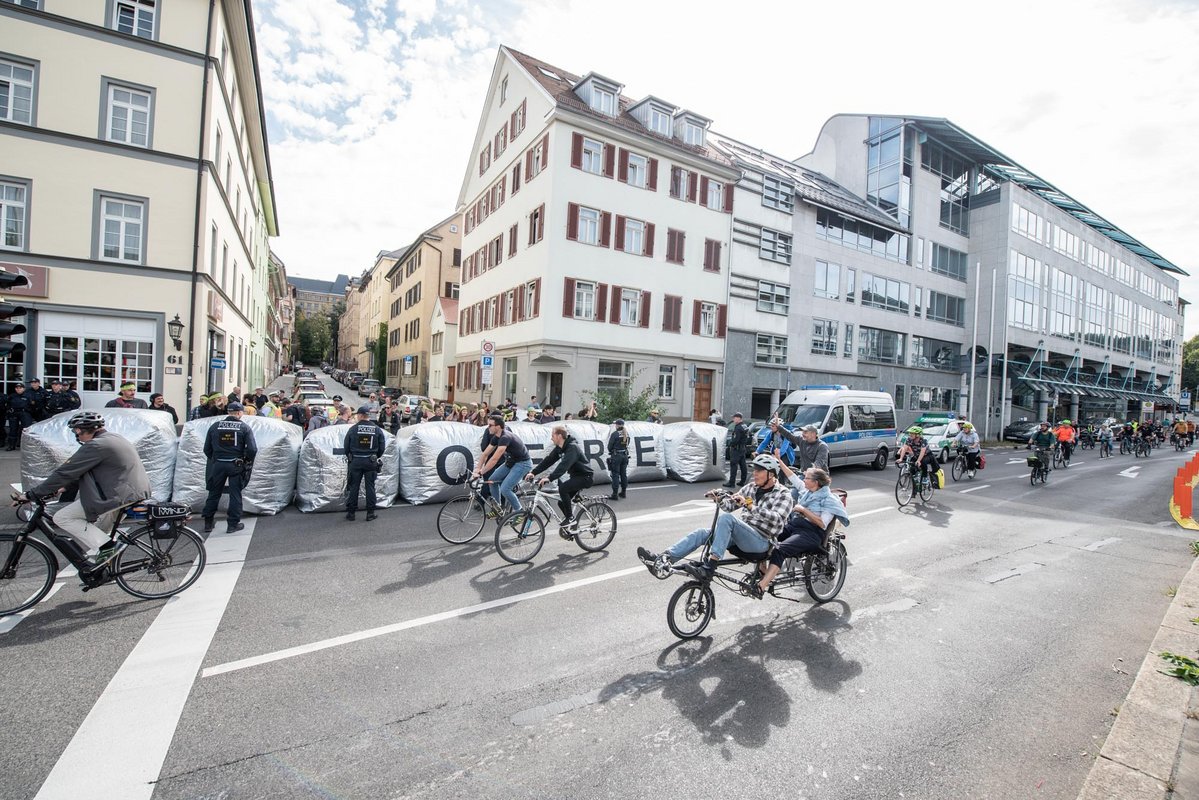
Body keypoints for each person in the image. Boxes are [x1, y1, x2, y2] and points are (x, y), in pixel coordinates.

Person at [20, 411, 151, 573]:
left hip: (117, 495)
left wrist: (32, 494)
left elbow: (65, 472)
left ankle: (110, 547)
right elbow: (83, 471)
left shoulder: (96, 446)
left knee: (63, 517)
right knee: (99, 531)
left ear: (87, 429)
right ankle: (108, 570)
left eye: (77, 430)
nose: (76, 434)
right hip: (131, 492)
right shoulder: (113, 438)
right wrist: (62, 488)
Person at [637, 454, 792, 580]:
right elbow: (730, 506)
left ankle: (710, 566)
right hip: (742, 536)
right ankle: (663, 559)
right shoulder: (751, 488)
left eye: (759, 471)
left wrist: (751, 506)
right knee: (701, 533)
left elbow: (778, 520)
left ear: (771, 474)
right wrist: (718, 499)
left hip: (761, 542)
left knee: (727, 519)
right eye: (755, 470)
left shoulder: (783, 493)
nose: (755, 474)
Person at [753, 467, 849, 598]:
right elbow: (793, 478)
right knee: (764, 533)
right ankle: (763, 569)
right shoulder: (808, 493)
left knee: (780, 549)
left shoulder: (829, 500)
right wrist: (779, 460)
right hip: (795, 526)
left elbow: (822, 523)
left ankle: (761, 586)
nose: (804, 480)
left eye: (807, 478)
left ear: (815, 482)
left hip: (811, 533)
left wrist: (803, 510)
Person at [201, 401, 256, 534]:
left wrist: (215, 459)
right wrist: (246, 460)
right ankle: (233, 524)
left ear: (228, 412)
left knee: (214, 493)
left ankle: (208, 522)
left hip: (218, 464)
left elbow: (206, 449)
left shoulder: (215, 426)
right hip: (236, 464)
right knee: (235, 494)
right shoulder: (244, 428)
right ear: (239, 413)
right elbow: (253, 449)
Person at [527, 425, 593, 535]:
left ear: (559, 436)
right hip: (575, 477)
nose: (551, 438)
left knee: (563, 489)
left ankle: (570, 518)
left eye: (552, 435)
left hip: (585, 477)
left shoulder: (572, 447)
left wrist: (549, 478)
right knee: (561, 503)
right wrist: (533, 472)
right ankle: (570, 525)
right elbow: (548, 461)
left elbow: (563, 466)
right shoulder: (560, 448)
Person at [473, 414, 533, 517]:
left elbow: (494, 459)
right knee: (491, 481)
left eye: (490, 425)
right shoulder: (496, 437)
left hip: (523, 464)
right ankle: (498, 509)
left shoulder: (505, 437)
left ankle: (519, 512)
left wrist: (481, 472)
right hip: (511, 462)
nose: (488, 427)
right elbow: (485, 454)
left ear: (498, 426)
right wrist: (478, 468)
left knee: (505, 488)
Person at [344, 406, 385, 521]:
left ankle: (351, 513)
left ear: (360, 415)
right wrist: (375, 456)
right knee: (370, 487)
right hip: (370, 462)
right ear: (368, 416)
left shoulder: (353, 429)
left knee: (354, 487)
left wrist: (351, 456)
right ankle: (370, 513)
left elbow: (346, 447)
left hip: (356, 462)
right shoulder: (376, 429)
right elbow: (382, 448)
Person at [607, 418, 630, 500]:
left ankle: (615, 494)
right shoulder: (626, 433)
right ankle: (623, 492)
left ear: (618, 425)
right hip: (625, 455)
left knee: (615, 474)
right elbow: (627, 444)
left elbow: (609, 447)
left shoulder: (615, 434)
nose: (615, 426)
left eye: (616, 424)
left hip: (616, 456)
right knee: (623, 474)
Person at [6, 382, 32, 451]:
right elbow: (8, 405)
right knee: (13, 429)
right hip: (14, 413)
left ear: (23, 389)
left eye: (20, 388)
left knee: (26, 429)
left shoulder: (28, 396)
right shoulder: (12, 396)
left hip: (24, 413)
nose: (18, 389)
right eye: (17, 388)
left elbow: (32, 405)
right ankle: (11, 445)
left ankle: (25, 446)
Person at [725, 413, 749, 488]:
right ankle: (743, 481)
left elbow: (736, 439)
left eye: (734, 418)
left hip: (737, 449)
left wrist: (730, 444)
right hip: (743, 448)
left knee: (733, 465)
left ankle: (731, 482)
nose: (733, 419)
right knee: (743, 465)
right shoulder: (744, 426)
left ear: (739, 418)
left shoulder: (738, 427)